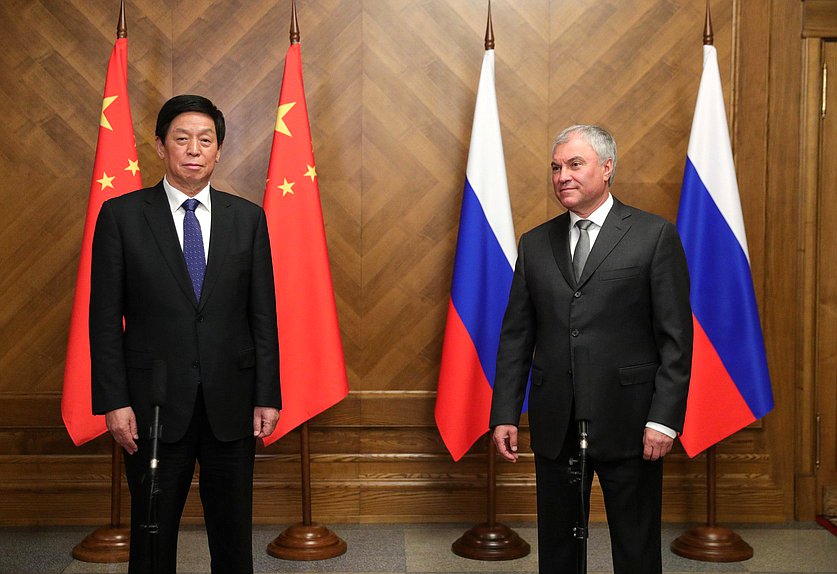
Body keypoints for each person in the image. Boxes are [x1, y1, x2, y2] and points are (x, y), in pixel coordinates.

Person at [90, 94, 281, 573]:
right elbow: (103, 319)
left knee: (233, 539)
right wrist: (114, 401)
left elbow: (263, 316)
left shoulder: (248, 219)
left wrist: (267, 395)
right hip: (152, 404)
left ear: (218, 151)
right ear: (160, 147)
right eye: (182, 138)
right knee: (152, 537)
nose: (194, 149)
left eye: (205, 140)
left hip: (231, 403)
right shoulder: (122, 216)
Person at [490, 124, 692, 574]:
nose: (563, 175)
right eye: (556, 167)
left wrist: (664, 419)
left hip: (633, 422)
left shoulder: (653, 236)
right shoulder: (535, 242)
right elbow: (517, 336)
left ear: (607, 168)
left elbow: (675, 338)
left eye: (574, 165)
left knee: (636, 549)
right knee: (559, 551)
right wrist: (505, 411)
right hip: (556, 421)